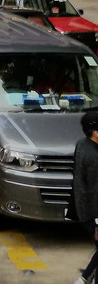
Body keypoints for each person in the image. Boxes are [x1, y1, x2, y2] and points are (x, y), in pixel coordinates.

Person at [72, 110, 98, 284]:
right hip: (93, 214)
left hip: (83, 210)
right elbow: (96, 192)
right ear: (95, 132)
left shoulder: (82, 144)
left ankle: (84, 278)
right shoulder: (95, 157)